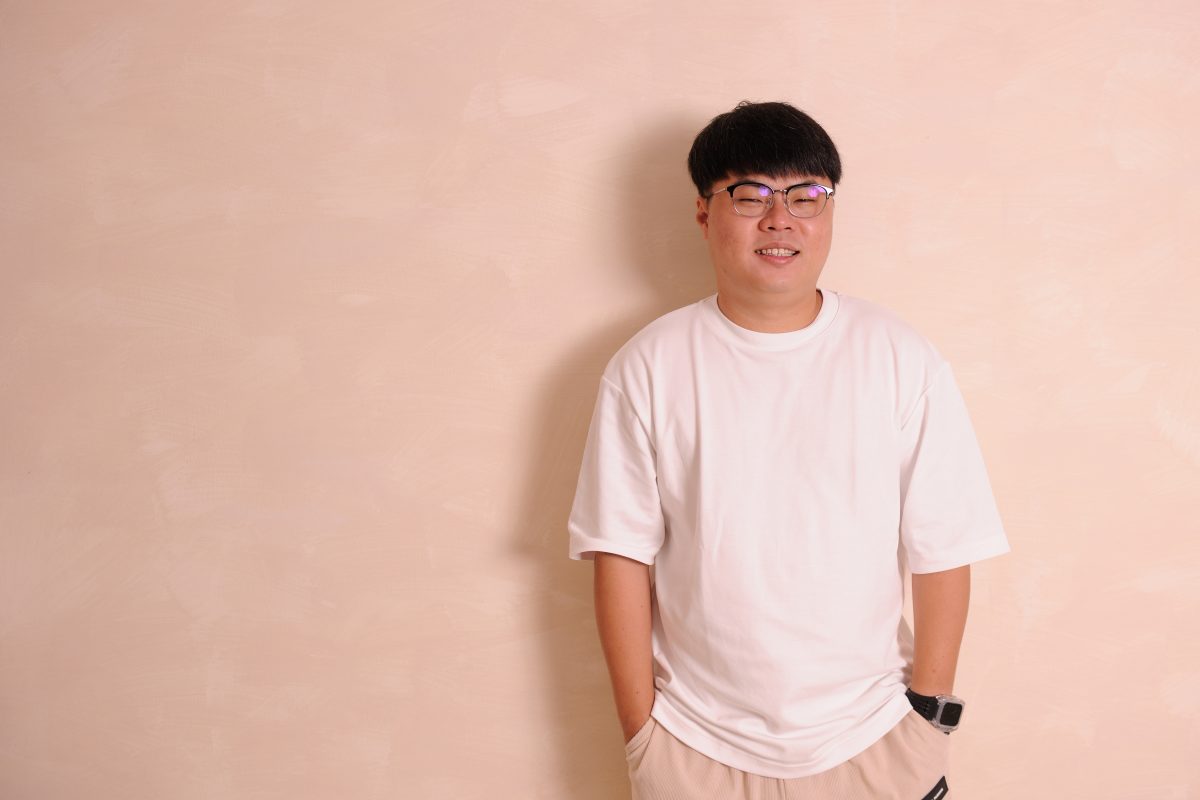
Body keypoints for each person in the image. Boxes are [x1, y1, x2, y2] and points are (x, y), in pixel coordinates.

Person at [566, 100, 1010, 800]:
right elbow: (620, 555)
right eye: (751, 195)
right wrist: (642, 734)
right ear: (704, 213)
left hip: (873, 741)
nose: (780, 219)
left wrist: (928, 720)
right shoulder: (647, 366)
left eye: (806, 195)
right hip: (694, 747)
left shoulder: (899, 357)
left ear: (829, 211)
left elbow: (945, 548)